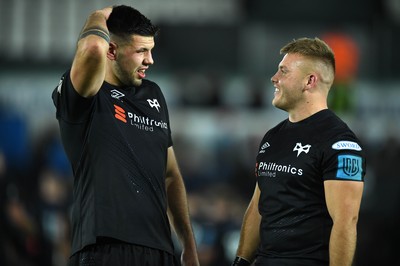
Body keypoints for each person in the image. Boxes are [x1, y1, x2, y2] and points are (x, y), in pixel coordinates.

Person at [51, 5, 199, 266]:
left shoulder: (153, 95)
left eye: (151, 50)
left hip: (160, 250)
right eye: (142, 51)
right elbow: (92, 48)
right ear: (112, 50)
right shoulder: (85, 95)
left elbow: (170, 174)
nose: (150, 60)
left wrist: (187, 244)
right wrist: (100, 14)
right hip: (104, 248)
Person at [232, 37, 366, 266]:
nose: (274, 78)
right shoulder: (272, 137)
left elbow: (345, 222)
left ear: (309, 81)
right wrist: (241, 261)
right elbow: (258, 206)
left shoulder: (339, 143)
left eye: (283, 71)